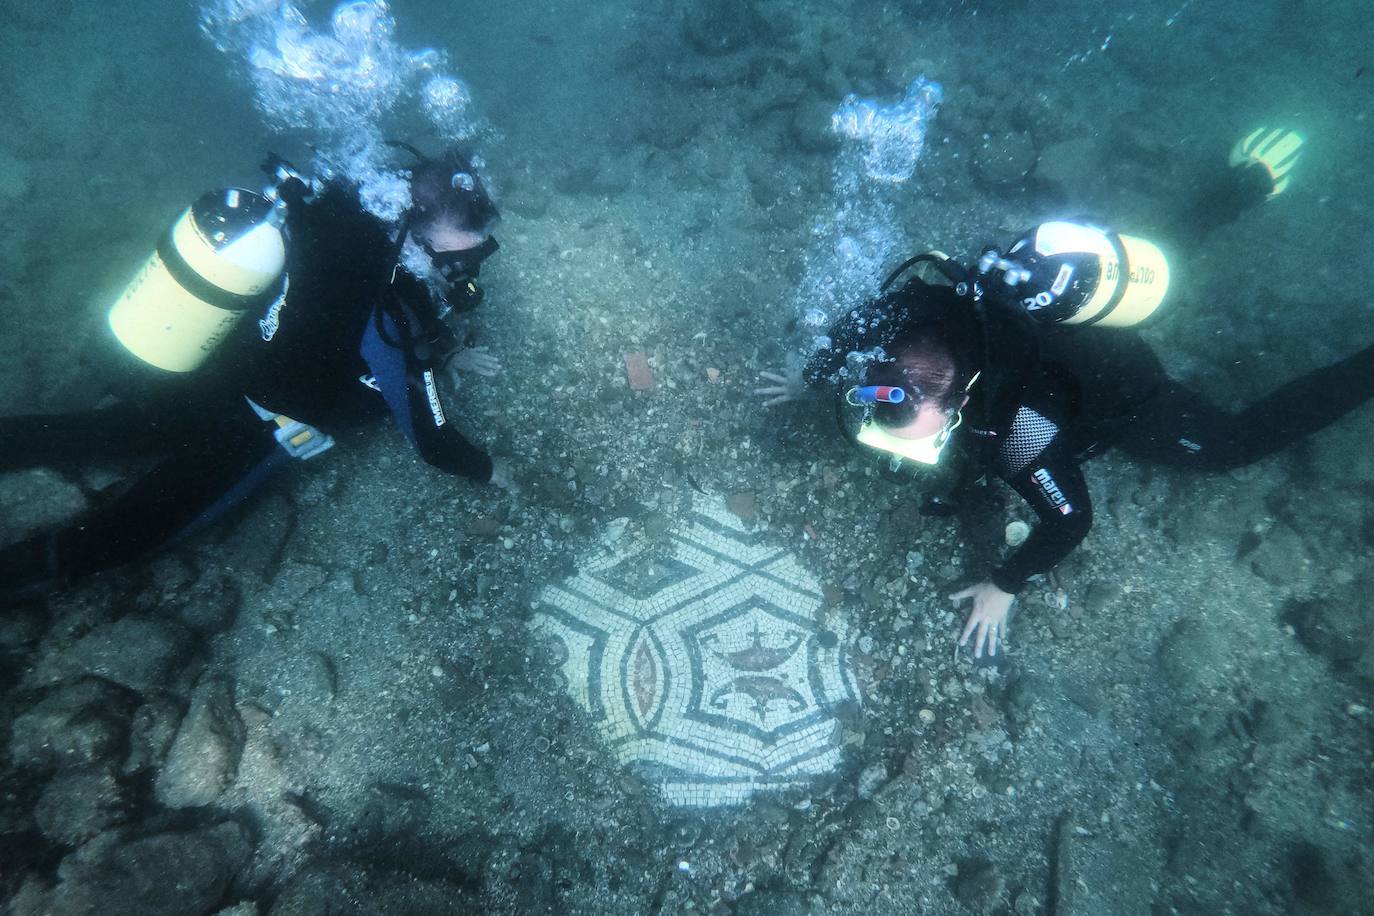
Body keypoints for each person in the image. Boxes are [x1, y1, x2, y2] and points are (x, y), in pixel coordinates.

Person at [759, 128, 1374, 659]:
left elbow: (1070, 519)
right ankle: (1241, 184)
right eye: (879, 405)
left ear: (956, 406)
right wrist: (807, 380)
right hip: (1053, 328)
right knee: (1153, 258)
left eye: (900, 425)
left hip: (1118, 385)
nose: (885, 433)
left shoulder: (1017, 434)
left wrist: (1005, 583)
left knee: (1230, 447)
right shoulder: (897, 323)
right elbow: (845, 341)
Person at [0, 147, 508, 593]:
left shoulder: (341, 210)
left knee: (104, 433)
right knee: (133, 531)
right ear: (419, 234)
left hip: (208, 366)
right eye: (468, 248)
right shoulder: (382, 298)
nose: (472, 263)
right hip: (255, 426)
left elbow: (338, 310)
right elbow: (432, 440)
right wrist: (492, 471)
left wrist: (444, 353)